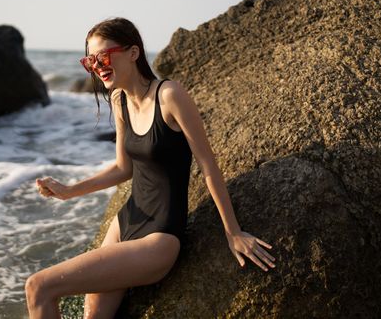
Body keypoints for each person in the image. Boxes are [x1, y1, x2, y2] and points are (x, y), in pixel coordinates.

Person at [26, 17, 276, 319]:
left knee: (38, 286)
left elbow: (207, 163)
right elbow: (123, 168)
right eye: (90, 60)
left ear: (133, 53)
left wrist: (232, 231)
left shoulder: (169, 95)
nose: (97, 66)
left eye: (104, 56)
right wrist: (68, 191)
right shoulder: (118, 99)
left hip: (159, 239)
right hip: (126, 222)